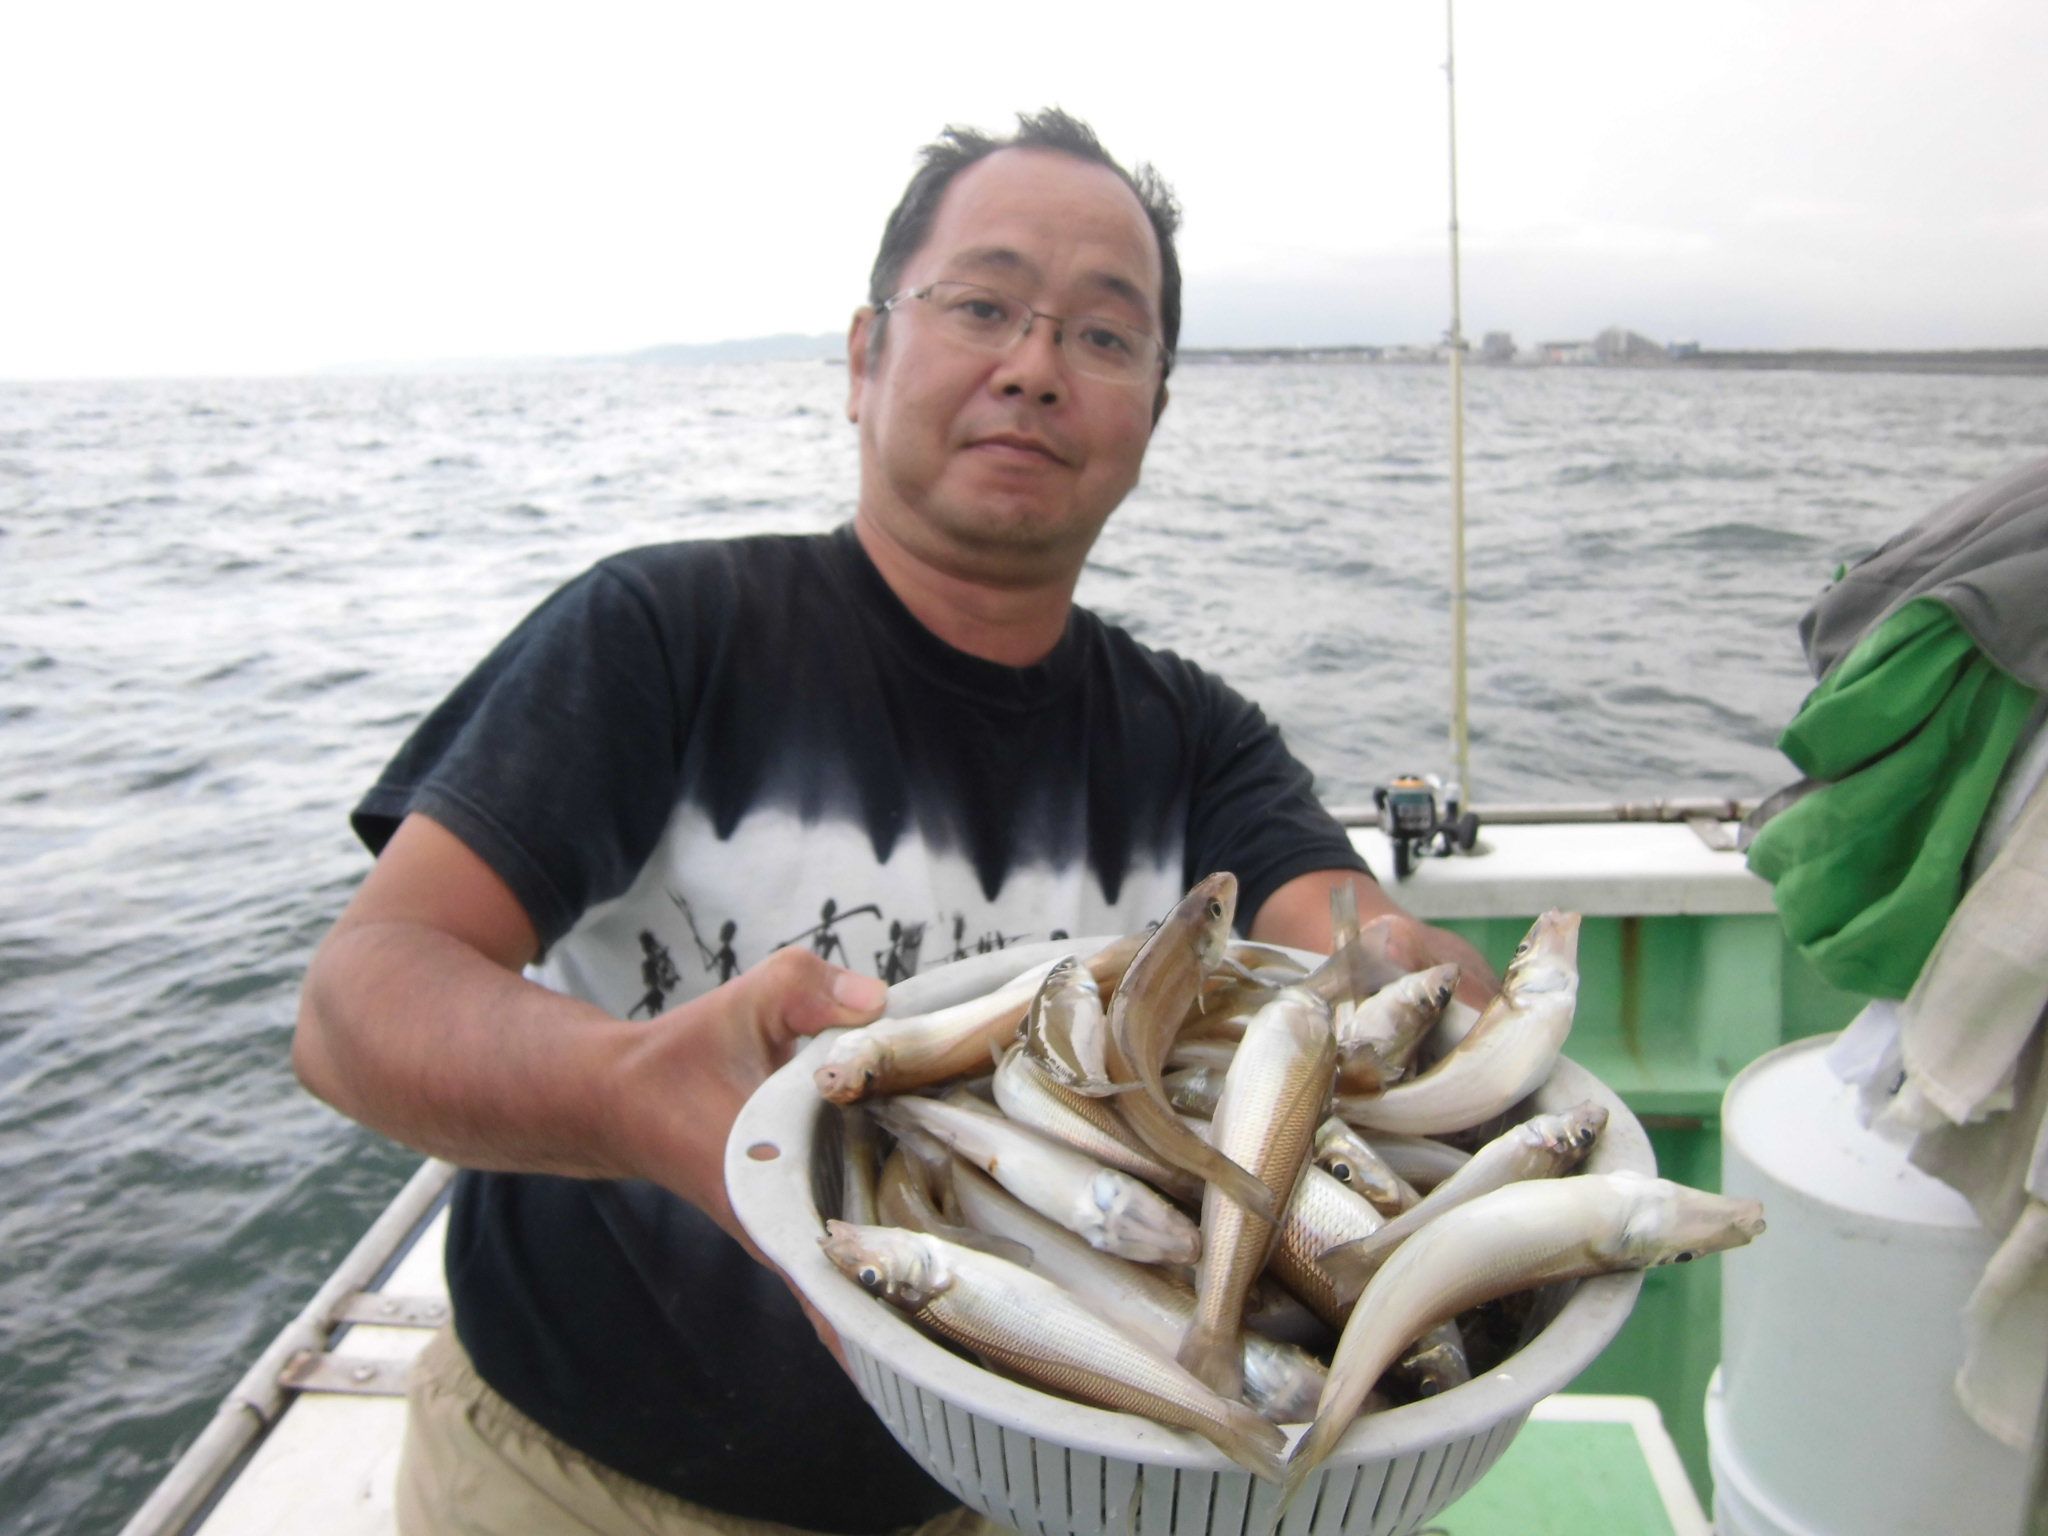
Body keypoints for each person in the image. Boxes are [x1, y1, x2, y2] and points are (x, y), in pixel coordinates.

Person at [293, 107, 1497, 1536]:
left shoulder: (1196, 741)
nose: (1035, 367)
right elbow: (357, 1003)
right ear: (865, 356)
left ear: (1153, 414)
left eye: (1104, 335)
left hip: (1027, 1493)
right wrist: (629, 1089)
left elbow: (1345, 941)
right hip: (570, 1484)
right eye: (983, 304)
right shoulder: (660, 637)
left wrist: (1425, 987)